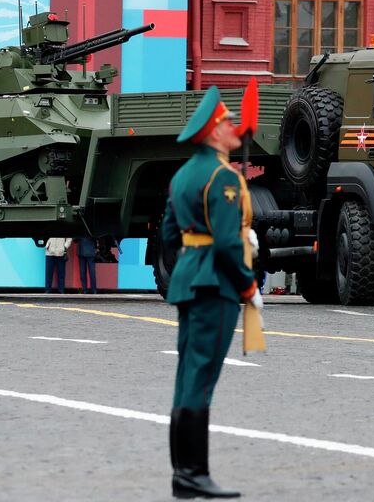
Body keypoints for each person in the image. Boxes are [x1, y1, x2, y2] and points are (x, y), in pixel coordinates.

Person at [159, 86, 262, 499]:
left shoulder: (183, 174)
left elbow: (169, 234)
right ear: (214, 132)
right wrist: (248, 283)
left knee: (188, 374)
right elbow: (223, 243)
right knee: (201, 377)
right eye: (227, 121)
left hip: (189, 278)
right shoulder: (222, 176)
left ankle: (183, 473)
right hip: (214, 283)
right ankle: (193, 473)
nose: (235, 126)